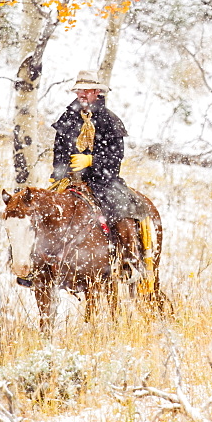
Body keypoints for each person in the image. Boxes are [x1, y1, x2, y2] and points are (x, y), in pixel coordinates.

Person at [51, 70, 145, 275]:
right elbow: (58, 150)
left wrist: (92, 161)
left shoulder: (110, 120)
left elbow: (116, 157)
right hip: (70, 179)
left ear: (96, 92)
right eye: (79, 90)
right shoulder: (67, 117)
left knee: (121, 207)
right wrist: (60, 174)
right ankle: (39, 266)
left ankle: (130, 260)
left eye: (86, 90)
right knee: (38, 210)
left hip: (103, 180)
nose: (82, 94)